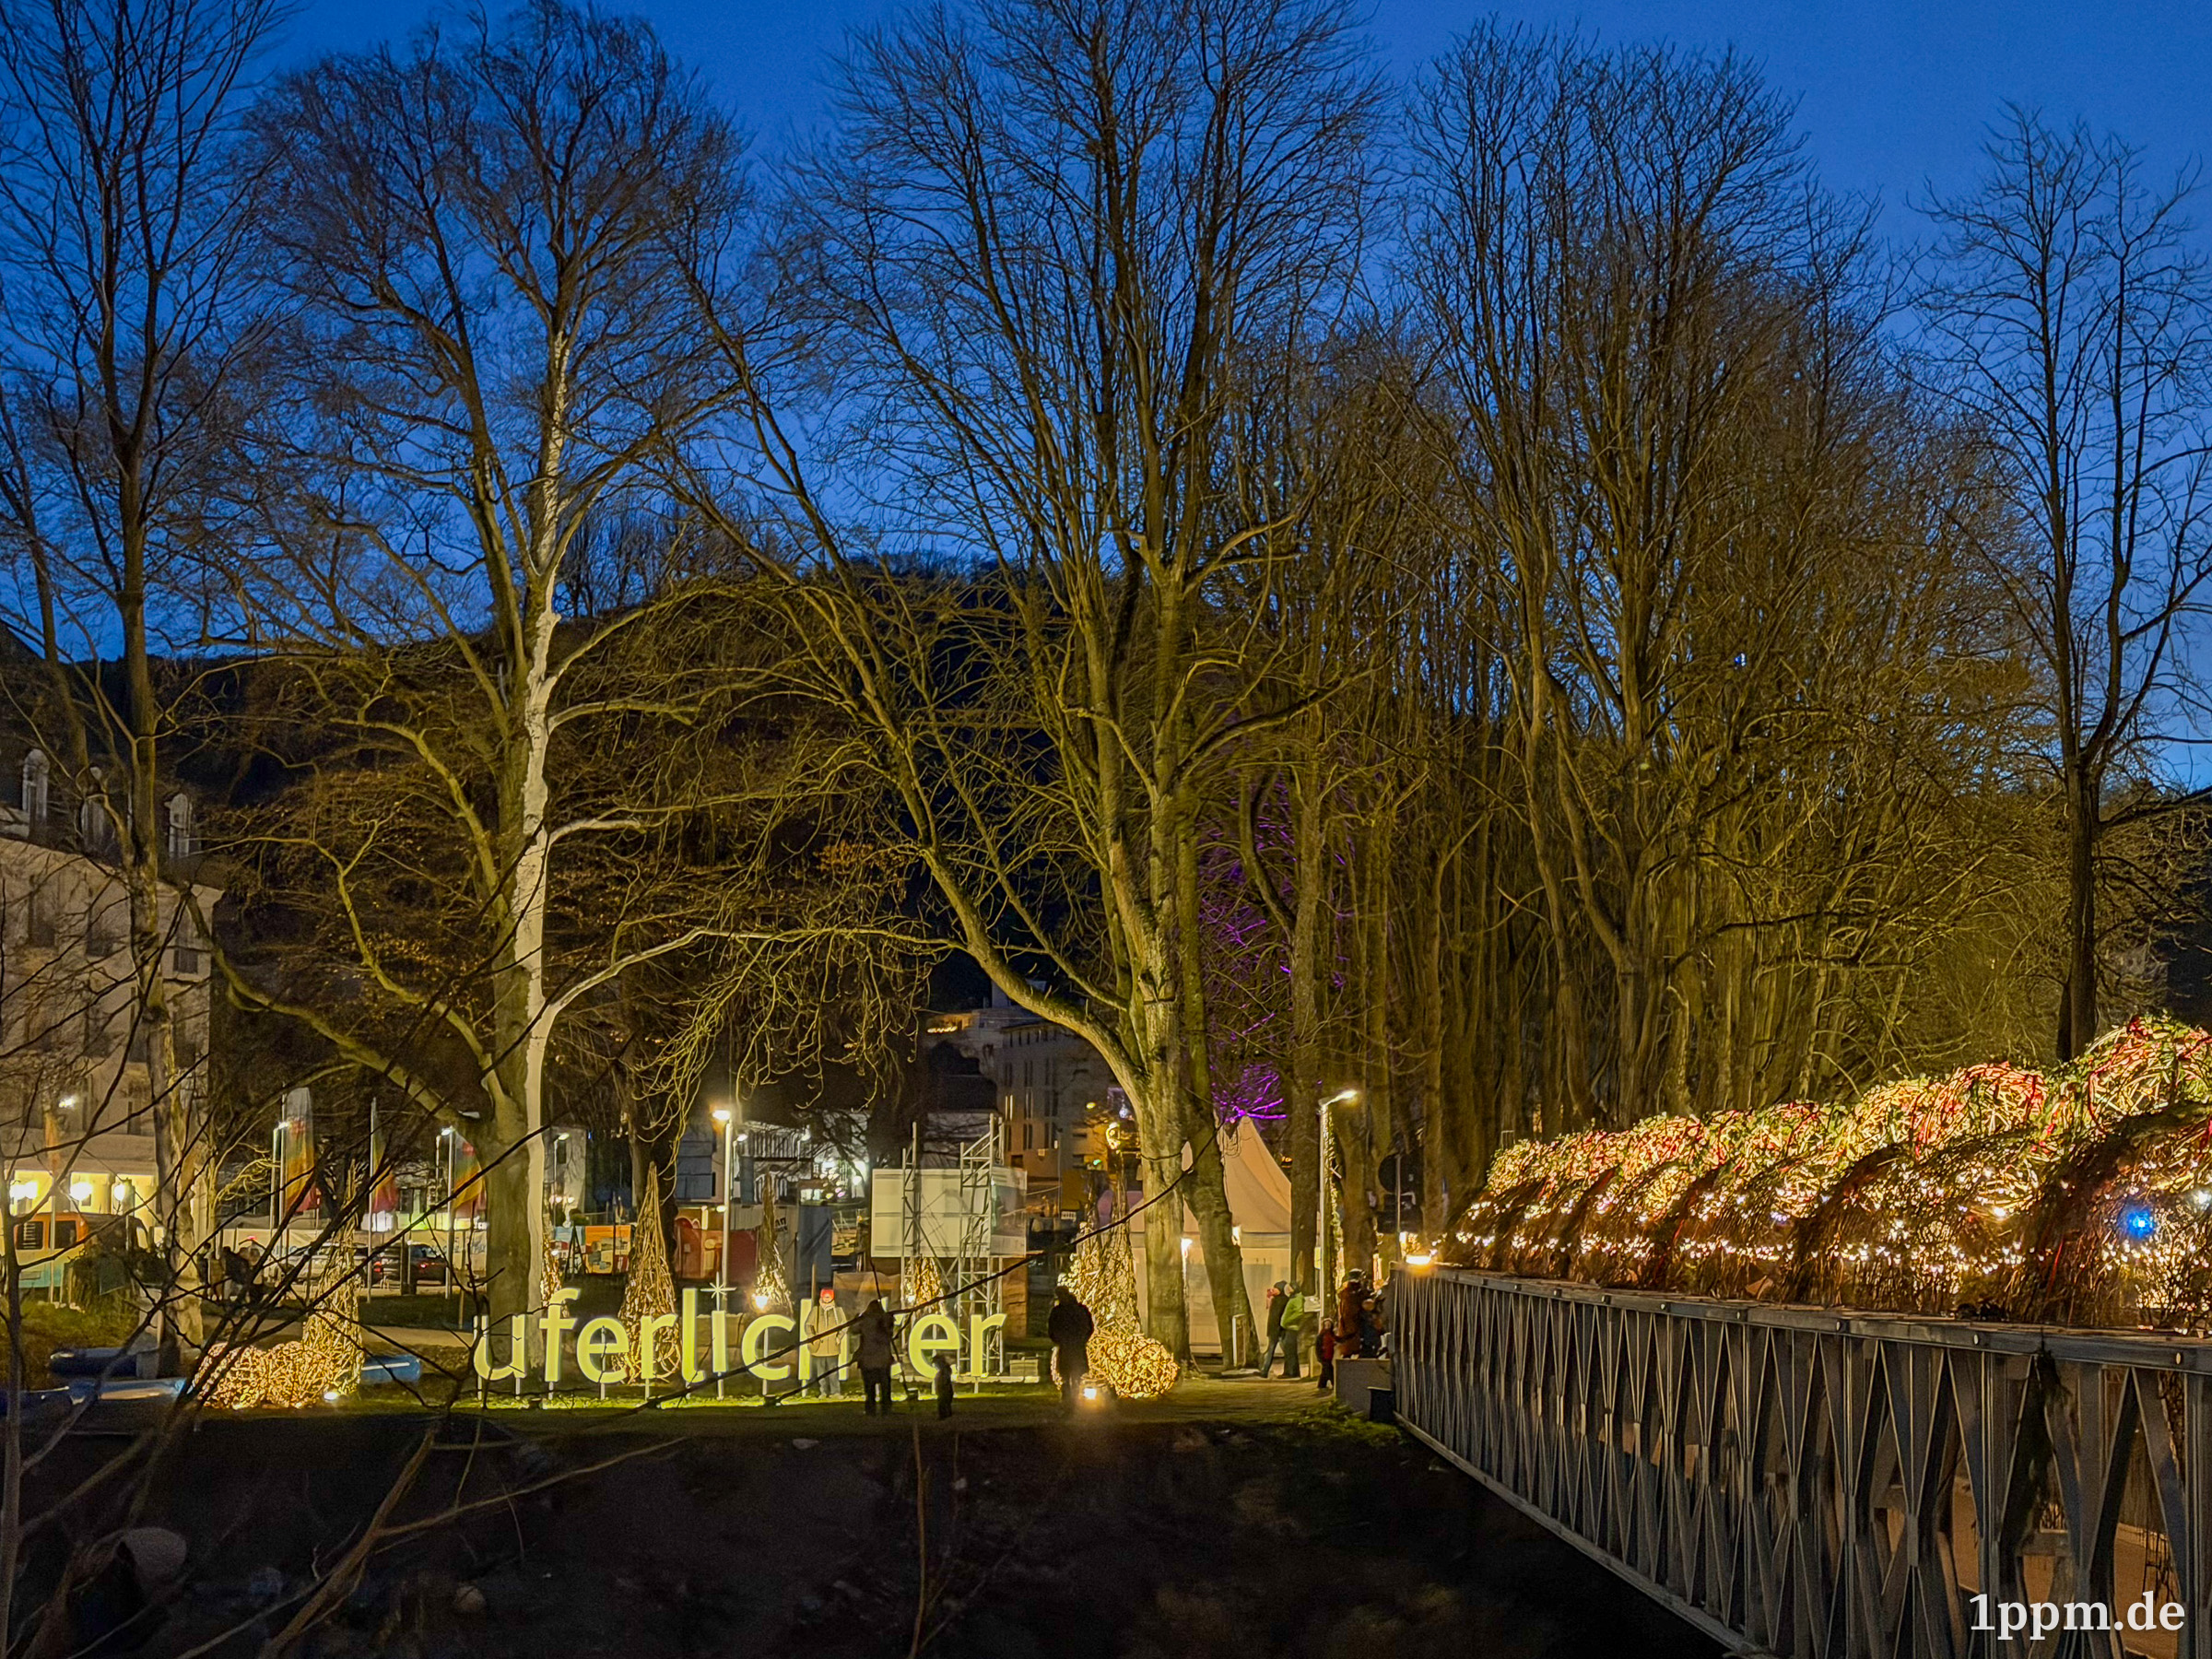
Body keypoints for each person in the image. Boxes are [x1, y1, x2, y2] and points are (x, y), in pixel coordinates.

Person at [1047, 1286, 1094, 1409]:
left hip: (1070, 1345)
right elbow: (1089, 1327)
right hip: (1074, 1345)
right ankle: (1071, 1398)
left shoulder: (1060, 1311)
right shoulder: (1079, 1310)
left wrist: (1060, 1340)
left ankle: (1072, 1398)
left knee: (1070, 1373)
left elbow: (1052, 1328)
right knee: (1071, 1373)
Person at [854, 1298, 897, 1416]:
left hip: (872, 1359)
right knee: (882, 1387)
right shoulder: (880, 1319)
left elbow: (853, 1330)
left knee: (873, 1387)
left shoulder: (868, 1320)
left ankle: (874, 1409)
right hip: (878, 1359)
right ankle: (883, 1409)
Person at [804, 1287, 845, 1398]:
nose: (826, 1299)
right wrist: (812, 1338)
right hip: (819, 1347)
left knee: (833, 1370)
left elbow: (845, 1325)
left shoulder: (838, 1311)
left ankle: (835, 1392)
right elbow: (808, 1325)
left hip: (832, 1346)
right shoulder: (816, 1310)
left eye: (828, 1297)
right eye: (825, 1297)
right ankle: (823, 1392)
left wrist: (839, 1337)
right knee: (821, 1371)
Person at [1336, 1271, 1367, 1359]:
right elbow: (1353, 1310)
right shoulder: (1353, 1293)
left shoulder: (1345, 1293)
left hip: (1348, 1325)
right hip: (1353, 1325)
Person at [1315, 1317, 1336, 1390]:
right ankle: (1334, 1383)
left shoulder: (1332, 1334)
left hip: (1330, 1355)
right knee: (1329, 1369)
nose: (1327, 1326)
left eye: (1329, 1324)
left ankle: (1322, 1384)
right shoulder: (1321, 1336)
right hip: (1324, 1355)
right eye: (1326, 1325)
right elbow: (1318, 1347)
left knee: (1325, 1371)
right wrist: (1319, 1356)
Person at [934, 1350, 957, 1418]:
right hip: (945, 1390)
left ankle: (944, 1415)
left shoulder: (944, 1371)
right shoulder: (944, 1370)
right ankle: (946, 1414)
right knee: (944, 1403)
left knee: (943, 1402)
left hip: (944, 1390)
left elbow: (944, 1381)